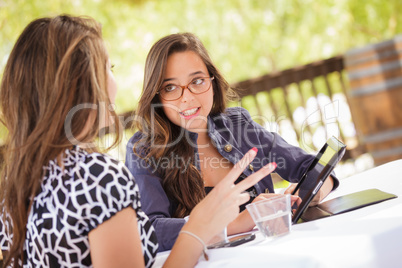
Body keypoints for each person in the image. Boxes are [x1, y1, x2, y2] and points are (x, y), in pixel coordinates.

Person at [0, 15, 280, 268]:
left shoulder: (15, 183)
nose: (115, 82)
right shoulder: (98, 178)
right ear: (80, 84)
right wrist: (198, 227)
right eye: (108, 68)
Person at [125, 32, 339, 251]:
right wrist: (237, 223)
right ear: (156, 96)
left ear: (212, 81)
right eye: (170, 87)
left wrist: (312, 192)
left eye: (197, 81)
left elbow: (313, 167)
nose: (186, 97)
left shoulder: (237, 124)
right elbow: (150, 230)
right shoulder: (142, 150)